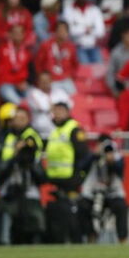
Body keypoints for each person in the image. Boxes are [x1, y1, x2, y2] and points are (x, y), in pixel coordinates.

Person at [0, 106, 45, 244]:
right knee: (6, 218)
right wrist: (14, 155)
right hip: (9, 184)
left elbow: (37, 164)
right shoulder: (4, 137)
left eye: (22, 118)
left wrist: (26, 153)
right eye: (16, 118)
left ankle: (34, 244)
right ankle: (5, 242)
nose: (19, 121)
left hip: (30, 185)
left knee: (33, 221)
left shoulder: (33, 136)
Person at [44, 100, 90, 243]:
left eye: (60, 111)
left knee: (72, 213)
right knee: (58, 214)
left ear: (68, 112)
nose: (57, 114)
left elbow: (84, 155)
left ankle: (76, 240)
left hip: (70, 179)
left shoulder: (74, 129)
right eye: (55, 111)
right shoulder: (55, 131)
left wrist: (79, 176)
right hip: (56, 179)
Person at [79, 135, 128, 243]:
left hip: (112, 194)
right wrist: (94, 155)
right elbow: (81, 167)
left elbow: (121, 170)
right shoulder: (92, 155)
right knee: (82, 206)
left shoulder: (117, 156)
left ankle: (123, 239)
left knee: (121, 206)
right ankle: (91, 236)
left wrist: (112, 161)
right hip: (94, 193)